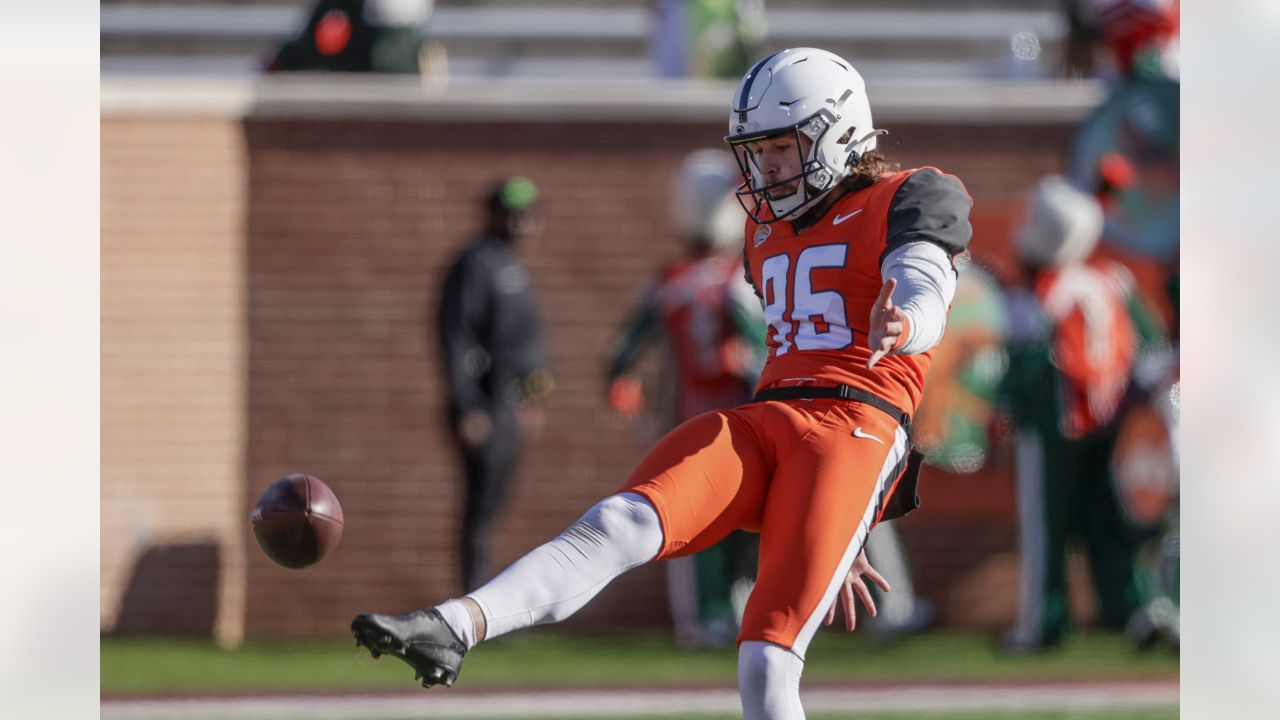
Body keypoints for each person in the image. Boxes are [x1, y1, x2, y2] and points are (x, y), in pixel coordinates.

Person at [353, 47, 972, 718]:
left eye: (782, 147)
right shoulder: (763, 234)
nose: (766, 166)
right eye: (756, 149)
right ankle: (455, 626)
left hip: (853, 425)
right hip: (766, 417)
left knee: (766, 661)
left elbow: (926, 278)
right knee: (620, 520)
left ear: (840, 131)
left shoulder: (911, 193)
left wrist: (906, 320)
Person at [605, 149, 766, 648]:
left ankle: (707, 617)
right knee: (735, 522)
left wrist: (624, 389)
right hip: (738, 420)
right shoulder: (738, 281)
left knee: (697, 523)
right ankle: (717, 614)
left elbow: (622, 353)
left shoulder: (668, 282)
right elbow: (762, 353)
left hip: (690, 420)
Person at [997, 176, 1165, 652]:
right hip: (1114, 425)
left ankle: (1043, 624)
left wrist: (1006, 410)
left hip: (1056, 430)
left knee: (1047, 531)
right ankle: (1132, 612)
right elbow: (1149, 350)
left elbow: (1023, 367)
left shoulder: (1039, 295)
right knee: (1112, 524)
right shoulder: (1112, 280)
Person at [437, 176, 553, 593]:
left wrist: (534, 399)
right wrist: (467, 406)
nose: (519, 221)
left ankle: (483, 597)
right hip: (485, 404)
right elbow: (457, 338)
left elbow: (528, 344)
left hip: (511, 404)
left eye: (526, 213)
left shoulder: (514, 266)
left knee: (495, 506)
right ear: (492, 213)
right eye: (511, 212)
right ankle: (473, 597)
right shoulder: (474, 263)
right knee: (480, 507)